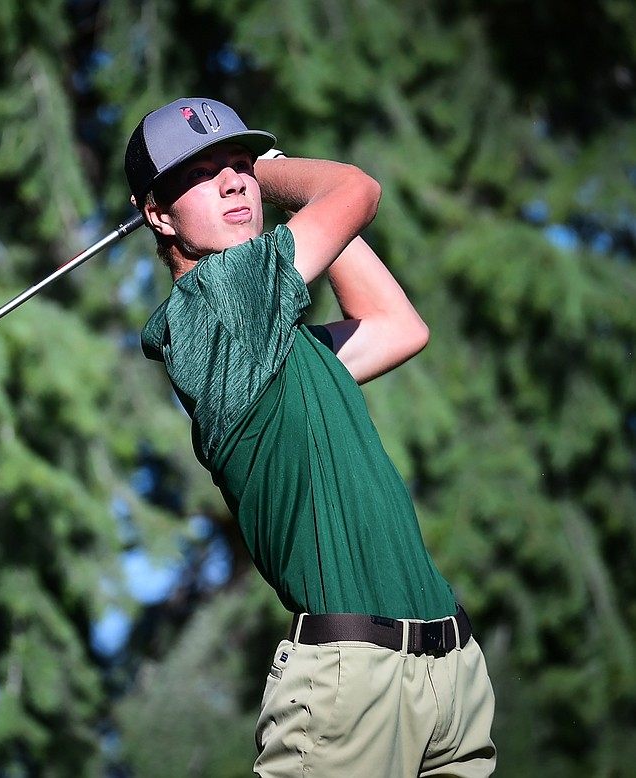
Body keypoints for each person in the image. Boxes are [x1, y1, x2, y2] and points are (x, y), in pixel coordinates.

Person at [125, 97, 496, 777]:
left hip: (450, 673)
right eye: (203, 174)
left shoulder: (272, 341)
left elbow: (396, 326)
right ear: (157, 214)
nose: (234, 182)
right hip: (350, 682)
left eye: (239, 165)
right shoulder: (216, 304)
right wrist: (278, 177)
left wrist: (278, 195)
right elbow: (358, 190)